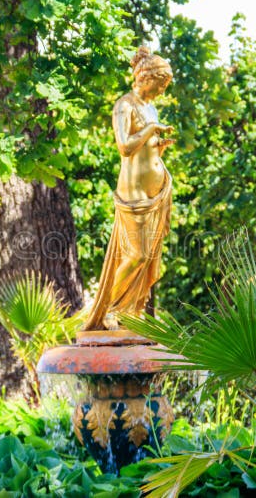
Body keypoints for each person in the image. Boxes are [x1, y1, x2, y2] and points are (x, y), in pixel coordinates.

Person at [84, 46, 174, 330]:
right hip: (133, 194)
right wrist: (150, 130)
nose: (161, 91)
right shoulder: (125, 105)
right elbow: (124, 146)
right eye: (160, 85)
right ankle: (111, 309)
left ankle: (131, 313)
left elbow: (146, 149)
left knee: (146, 257)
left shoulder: (151, 107)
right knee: (135, 254)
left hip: (155, 193)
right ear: (144, 78)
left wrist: (159, 145)